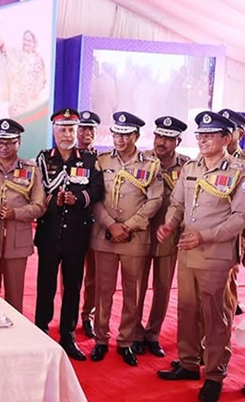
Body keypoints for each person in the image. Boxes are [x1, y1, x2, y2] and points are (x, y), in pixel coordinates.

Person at [156, 111, 245, 402]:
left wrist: (204, 236)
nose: (203, 140)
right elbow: (177, 203)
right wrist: (170, 224)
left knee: (215, 316)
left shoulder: (239, 171)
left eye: (210, 135)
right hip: (187, 251)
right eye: (200, 135)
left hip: (216, 255)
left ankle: (215, 374)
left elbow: (239, 218)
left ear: (226, 139)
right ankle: (189, 362)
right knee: (187, 310)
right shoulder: (191, 167)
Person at [89, 111, 162, 366]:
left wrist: (127, 226)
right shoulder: (101, 161)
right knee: (103, 291)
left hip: (135, 237)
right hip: (105, 235)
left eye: (126, 134)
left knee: (133, 292)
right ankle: (100, 339)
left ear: (136, 136)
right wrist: (111, 224)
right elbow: (95, 197)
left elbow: (155, 200)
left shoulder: (150, 164)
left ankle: (126, 341)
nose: (120, 139)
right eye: (117, 134)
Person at [34, 108, 103, 360]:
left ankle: (68, 335)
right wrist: (55, 201)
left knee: (73, 287)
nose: (66, 134)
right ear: (54, 131)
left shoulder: (89, 160)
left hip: (77, 234)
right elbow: (36, 191)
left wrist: (79, 198)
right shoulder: (44, 159)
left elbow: (97, 190)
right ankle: (41, 330)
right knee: (45, 285)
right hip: (49, 233)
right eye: (62, 129)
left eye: (71, 130)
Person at [130, 116, 190, 358]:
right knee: (137, 286)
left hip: (168, 235)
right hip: (141, 232)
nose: (161, 142)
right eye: (158, 136)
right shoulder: (141, 160)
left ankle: (153, 334)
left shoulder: (186, 166)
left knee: (162, 287)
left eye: (167, 138)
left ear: (178, 141)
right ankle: (135, 333)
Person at [0, 118, 45, 312]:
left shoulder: (31, 170)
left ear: (19, 143)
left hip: (17, 243)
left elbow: (39, 206)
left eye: (9, 142)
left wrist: (16, 213)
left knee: (15, 298)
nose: (3, 147)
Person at [77, 110, 101, 338]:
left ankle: (88, 315)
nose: (87, 132)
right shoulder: (66, 156)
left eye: (91, 129)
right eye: (83, 128)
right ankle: (69, 313)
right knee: (71, 274)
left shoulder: (102, 160)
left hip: (95, 224)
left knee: (93, 275)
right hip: (73, 224)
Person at [219, 108, 245, 317]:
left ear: (240, 134)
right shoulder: (205, 160)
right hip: (211, 229)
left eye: (230, 130)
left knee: (230, 272)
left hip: (238, 230)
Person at [0, 19, 46, 118]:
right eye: (24, 39)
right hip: (17, 101)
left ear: (34, 43)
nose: (26, 42)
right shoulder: (16, 53)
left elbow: (43, 81)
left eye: (29, 40)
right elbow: (3, 48)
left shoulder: (39, 59)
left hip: (32, 103)